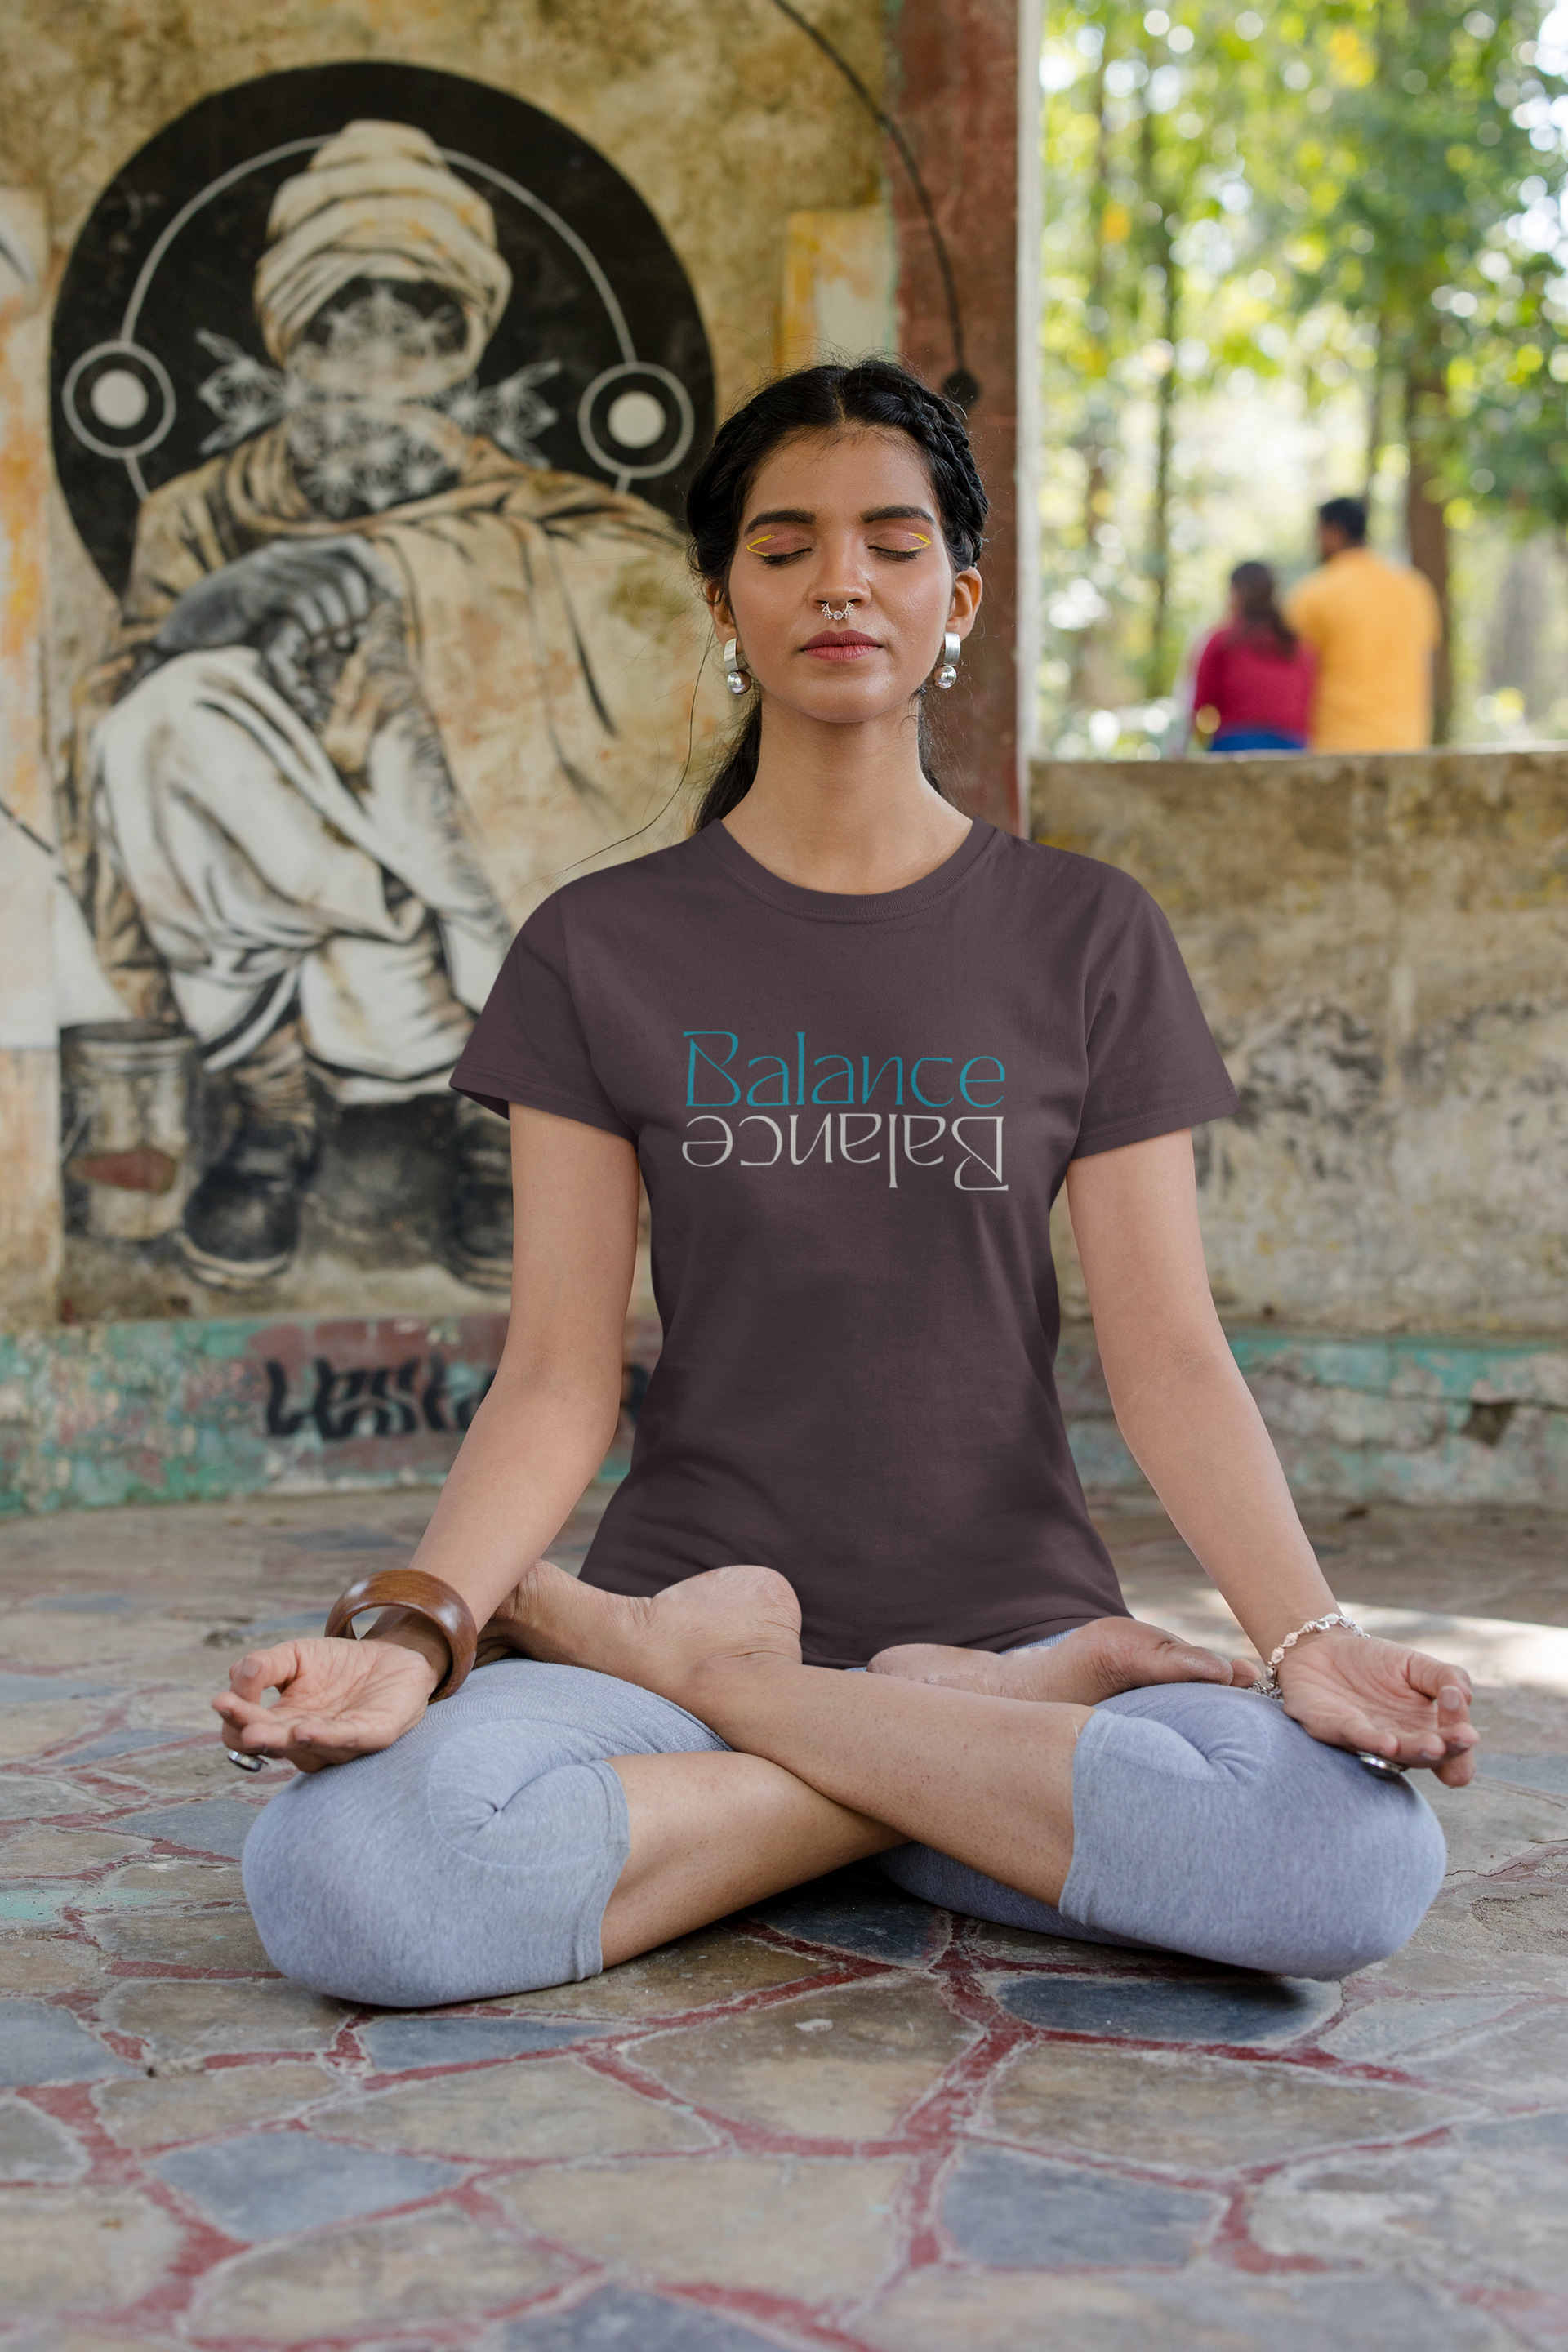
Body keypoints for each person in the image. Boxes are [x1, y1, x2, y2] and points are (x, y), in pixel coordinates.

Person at [216, 361, 1474, 2013]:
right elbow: (557, 1372)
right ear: (726, 600)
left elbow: (1169, 1356)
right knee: (344, 1881)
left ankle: (776, 1718)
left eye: (890, 543)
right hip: (773, 1624)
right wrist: (421, 1630)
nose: (840, 584)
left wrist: (1309, 1639)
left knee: (1352, 1854)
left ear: (957, 596)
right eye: (785, 544)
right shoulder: (601, 949)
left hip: (996, 1622)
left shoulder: (1086, 937)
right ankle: (917, 1753)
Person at [60, 122, 716, 1289]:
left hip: (470, 933)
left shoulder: (543, 515)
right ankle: (271, 1115)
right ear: (288, 341)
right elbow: (115, 742)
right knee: (165, 714)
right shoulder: (194, 518)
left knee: (511, 672)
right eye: (342, 322)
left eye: (415, 324)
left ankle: (504, 1116)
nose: (378, 355)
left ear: (462, 349)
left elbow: (663, 613)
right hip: (292, 928)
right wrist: (225, 606)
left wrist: (404, 575)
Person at [1285, 496, 1442, 752]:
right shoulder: (1415, 588)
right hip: (1407, 744)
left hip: (1337, 747)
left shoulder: (1313, 594)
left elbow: (1293, 672)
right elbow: (1428, 660)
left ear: (1332, 533)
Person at [1188, 561, 1314, 753]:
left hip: (1235, 744)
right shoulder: (1299, 647)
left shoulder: (1221, 641)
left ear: (1235, 593)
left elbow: (1200, 706)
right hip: (1293, 747)